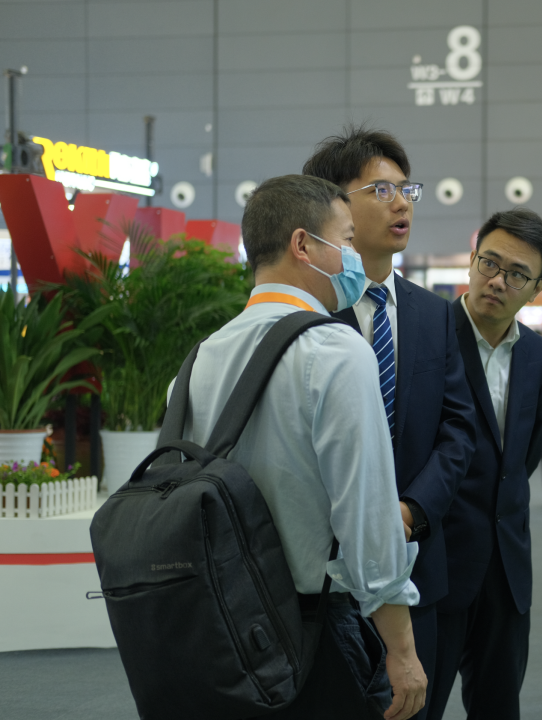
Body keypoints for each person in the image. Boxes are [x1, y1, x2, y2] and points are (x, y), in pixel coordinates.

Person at [173, 175, 426, 719]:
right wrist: (402, 649)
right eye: (348, 240)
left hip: (215, 628)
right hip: (310, 629)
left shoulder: (197, 361)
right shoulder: (334, 351)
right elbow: (367, 518)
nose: (355, 257)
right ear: (303, 245)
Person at [303, 126, 477, 719]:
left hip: (415, 564)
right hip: (320, 574)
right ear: (334, 205)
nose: (402, 203)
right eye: (381, 190)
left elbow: (458, 429)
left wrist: (411, 510)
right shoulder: (308, 312)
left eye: (407, 190)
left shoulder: (434, 314)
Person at [426, 209, 542, 720]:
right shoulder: (429, 336)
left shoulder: (540, 355)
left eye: (517, 274)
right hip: (436, 563)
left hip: (506, 568)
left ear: (537, 289)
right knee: (418, 705)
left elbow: (524, 457)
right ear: (472, 261)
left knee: (499, 706)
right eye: (490, 263)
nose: (498, 281)